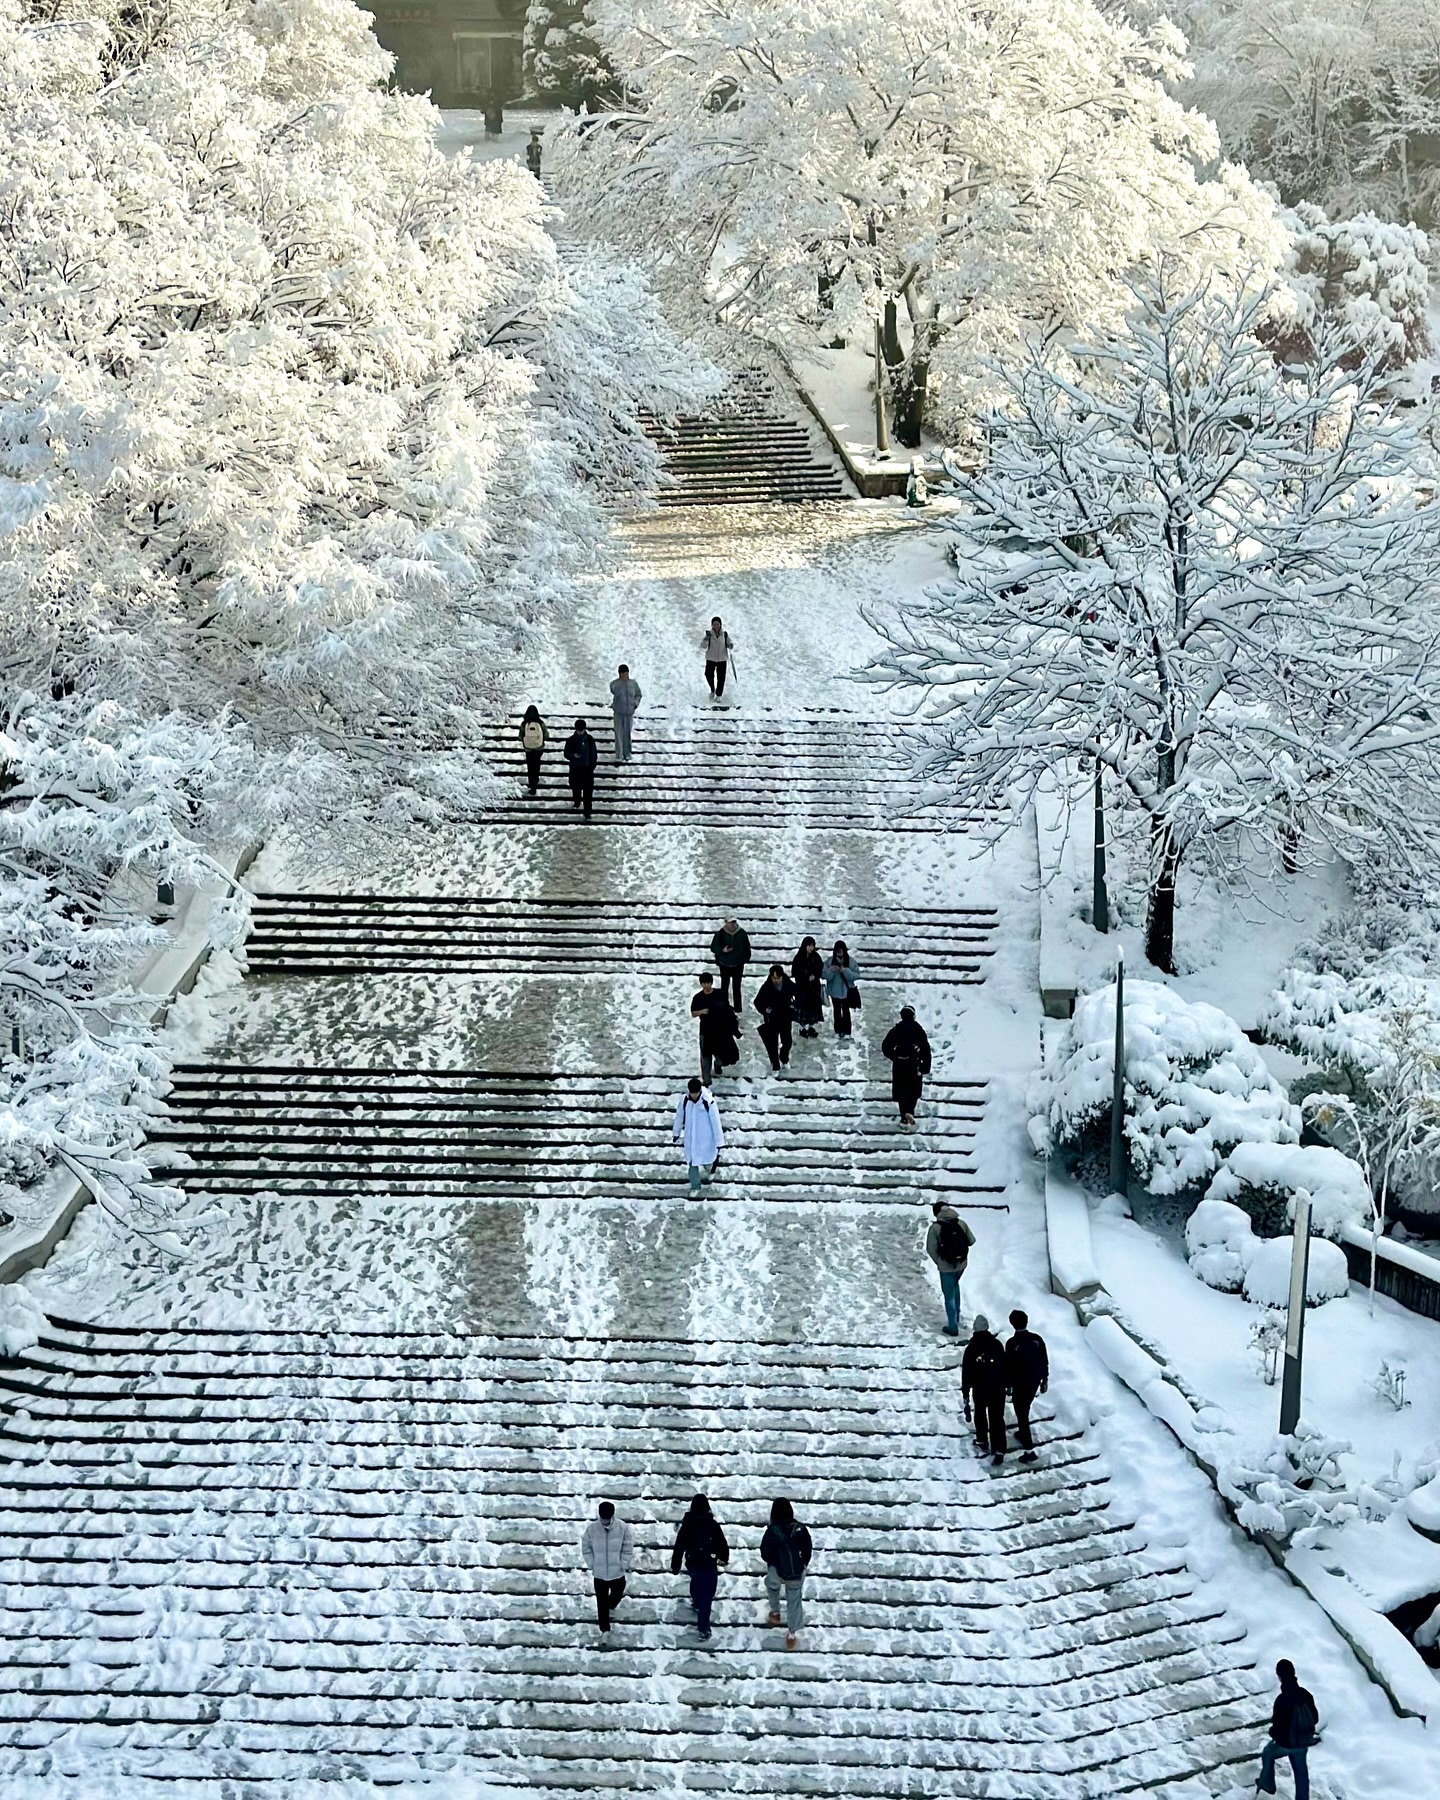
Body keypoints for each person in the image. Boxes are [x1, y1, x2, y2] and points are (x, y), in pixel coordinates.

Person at [1256, 1660, 1319, 1798]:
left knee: (1268, 1752)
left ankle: (1267, 1784)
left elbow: (1278, 1727)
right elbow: (1315, 1718)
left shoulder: (1282, 1700)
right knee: (1301, 1772)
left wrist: (1273, 1734)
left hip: (1287, 1743)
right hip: (1304, 1742)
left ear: (1279, 1677)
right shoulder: (1305, 1694)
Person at [671, 1494, 729, 1641]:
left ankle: (696, 1601)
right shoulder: (712, 1524)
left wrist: (676, 1564)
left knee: (697, 1584)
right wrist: (724, 1558)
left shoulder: (688, 1524)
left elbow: (679, 1546)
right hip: (710, 1562)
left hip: (694, 1562)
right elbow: (722, 1543)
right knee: (707, 1596)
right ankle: (703, 1628)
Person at [760, 1497, 812, 1650]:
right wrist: (802, 1564)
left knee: (772, 1586)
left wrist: (774, 1563)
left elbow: (764, 1553)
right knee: (794, 1600)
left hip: (777, 1571)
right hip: (796, 1572)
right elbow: (807, 1550)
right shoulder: (800, 1529)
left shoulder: (772, 1531)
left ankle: (775, 1613)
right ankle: (791, 1635)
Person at [580, 1500, 634, 1636]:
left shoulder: (623, 1528)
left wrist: (623, 1563)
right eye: (603, 1519)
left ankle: (610, 1606)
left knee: (617, 1593)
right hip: (599, 1574)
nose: (605, 1521)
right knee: (601, 1603)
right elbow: (586, 1547)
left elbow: (627, 1547)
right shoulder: (592, 1529)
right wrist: (592, 1563)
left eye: (607, 1519)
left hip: (617, 1572)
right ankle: (604, 1630)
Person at [961, 1314, 1009, 1467]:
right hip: (997, 1387)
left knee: (980, 1414)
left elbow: (966, 1373)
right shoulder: (997, 1345)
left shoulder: (971, 1348)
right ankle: (999, 1448)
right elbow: (1004, 1366)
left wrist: (965, 1393)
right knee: (997, 1418)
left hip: (980, 1388)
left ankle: (982, 1440)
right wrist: (1007, 1384)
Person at [1005, 1309, 1049, 1464]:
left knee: (1021, 1413)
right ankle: (1023, 1435)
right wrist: (1044, 1379)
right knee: (1024, 1408)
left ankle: (1029, 1450)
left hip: (1020, 1383)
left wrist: (1008, 1386)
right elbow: (1044, 1360)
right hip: (1034, 1381)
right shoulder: (1037, 1339)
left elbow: (1009, 1367)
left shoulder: (1012, 1343)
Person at [926, 1200, 975, 1337]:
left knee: (949, 1296)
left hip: (946, 1267)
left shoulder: (935, 1228)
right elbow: (971, 1241)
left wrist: (940, 1262)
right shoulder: (960, 1223)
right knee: (955, 1286)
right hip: (961, 1265)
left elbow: (931, 1248)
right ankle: (957, 1317)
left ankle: (953, 1326)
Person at [673, 1076, 724, 1198]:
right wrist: (676, 1132)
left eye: (696, 1093)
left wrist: (719, 1141)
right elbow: (679, 1116)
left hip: (705, 1138)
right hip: (691, 1139)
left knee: (707, 1161)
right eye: (692, 1092)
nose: (694, 1095)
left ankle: (711, 1170)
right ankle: (695, 1186)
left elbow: (715, 1122)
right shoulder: (685, 1101)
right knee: (692, 1164)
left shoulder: (708, 1102)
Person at [881, 1005, 932, 1128]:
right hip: (914, 1063)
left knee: (901, 1089)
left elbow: (885, 1046)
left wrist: (894, 1056)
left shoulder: (896, 1029)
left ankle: (904, 1116)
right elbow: (926, 1049)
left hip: (899, 1064)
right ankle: (910, 1111)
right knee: (913, 1090)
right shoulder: (918, 1030)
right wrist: (925, 1066)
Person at [689, 972, 741, 1086]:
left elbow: (727, 1008)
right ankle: (706, 1081)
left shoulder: (720, 993)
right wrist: (703, 1011)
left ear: (711, 983)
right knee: (705, 1056)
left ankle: (718, 1064)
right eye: (703, 983)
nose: (706, 985)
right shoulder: (698, 998)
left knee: (723, 1053)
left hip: (720, 1029)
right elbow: (693, 1013)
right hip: (706, 1030)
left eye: (707, 983)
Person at [754, 963, 797, 1072]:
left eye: (778, 978)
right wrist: (765, 1010)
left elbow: (799, 993)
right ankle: (775, 1064)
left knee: (787, 1041)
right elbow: (758, 1001)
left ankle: (783, 1056)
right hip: (772, 1019)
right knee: (772, 1043)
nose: (775, 980)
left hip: (785, 1017)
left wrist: (795, 1005)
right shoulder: (767, 987)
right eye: (774, 978)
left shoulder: (788, 984)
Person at [709, 915, 752, 1012]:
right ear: (726, 922)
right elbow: (713, 947)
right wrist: (722, 950)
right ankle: (724, 1008)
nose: (732, 924)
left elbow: (747, 947)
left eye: (734, 922)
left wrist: (744, 959)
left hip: (738, 964)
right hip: (724, 964)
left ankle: (738, 1009)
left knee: (736, 988)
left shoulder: (742, 933)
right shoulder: (720, 933)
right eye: (730, 922)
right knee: (724, 987)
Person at [562, 718, 598, 820]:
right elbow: (566, 753)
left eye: (581, 730)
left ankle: (587, 811)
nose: (580, 732)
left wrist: (592, 766)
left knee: (588, 792)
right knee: (575, 786)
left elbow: (594, 754)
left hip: (587, 769)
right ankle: (577, 802)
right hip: (575, 768)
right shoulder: (571, 740)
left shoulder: (590, 739)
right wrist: (573, 756)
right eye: (578, 730)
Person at [790, 936, 825, 1038]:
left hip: (814, 988)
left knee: (813, 1009)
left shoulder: (816, 957)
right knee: (803, 1008)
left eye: (812, 945)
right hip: (803, 988)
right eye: (808, 945)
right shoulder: (799, 957)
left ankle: (811, 1027)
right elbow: (795, 972)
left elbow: (819, 969)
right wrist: (805, 978)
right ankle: (802, 1028)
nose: (810, 948)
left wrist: (814, 976)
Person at [824, 939, 859, 1037]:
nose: (840, 952)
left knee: (846, 1011)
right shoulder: (829, 961)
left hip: (847, 992)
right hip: (834, 991)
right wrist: (831, 971)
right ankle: (838, 1030)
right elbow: (824, 975)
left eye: (841, 950)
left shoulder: (851, 962)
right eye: (838, 950)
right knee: (837, 1011)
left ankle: (847, 1031)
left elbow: (856, 975)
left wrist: (845, 971)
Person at [609, 664, 642, 764]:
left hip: (629, 712)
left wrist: (635, 703)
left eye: (626, 673)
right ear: (619, 674)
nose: (625, 676)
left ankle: (627, 753)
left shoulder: (633, 684)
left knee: (627, 734)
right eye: (623, 674)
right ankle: (619, 755)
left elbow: (638, 695)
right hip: (619, 712)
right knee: (618, 734)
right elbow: (613, 690)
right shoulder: (615, 684)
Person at [518, 704, 547, 797]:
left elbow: (520, 736)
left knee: (530, 767)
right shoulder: (540, 723)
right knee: (537, 764)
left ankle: (532, 786)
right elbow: (546, 735)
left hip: (528, 749)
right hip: (539, 749)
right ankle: (536, 779)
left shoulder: (524, 723)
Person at [702, 616, 733, 698]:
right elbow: (703, 646)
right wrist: (706, 638)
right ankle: (712, 689)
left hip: (722, 659)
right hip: (711, 658)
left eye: (717, 624)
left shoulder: (725, 634)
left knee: (721, 678)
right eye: (714, 624)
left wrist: (730, 645)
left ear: (720, 625)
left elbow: (729, 643)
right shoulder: (709, 635)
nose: (716, 626)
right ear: (712, 625)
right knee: (708, 674)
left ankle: (719, 695)